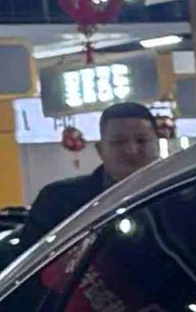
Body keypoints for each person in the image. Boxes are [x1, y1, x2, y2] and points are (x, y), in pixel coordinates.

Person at [16, 102, 163, 247]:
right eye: (118, 142)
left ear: (158, 145)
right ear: (100, 149)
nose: (131, 150)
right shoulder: (57, 200)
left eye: (142, 141)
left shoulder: (176, 194)